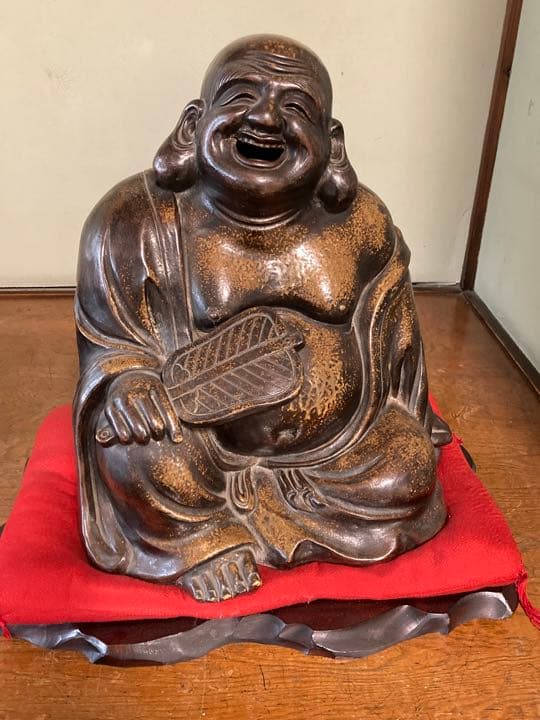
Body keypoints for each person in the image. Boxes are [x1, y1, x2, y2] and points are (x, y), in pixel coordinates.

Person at [74, 35, 451, 602]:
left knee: (410, 465)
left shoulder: (362, 222)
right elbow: (111, 342)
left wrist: (409, 418)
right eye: (241, 95)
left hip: (337, 458)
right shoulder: (134, 221)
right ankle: (201, 538)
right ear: (192, 125)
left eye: (295, 106)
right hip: (199, 451)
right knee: (135, 455)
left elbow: (397, 343)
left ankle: (262, 517)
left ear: (333, 143)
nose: (266, 118)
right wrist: (128, 382)